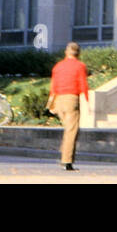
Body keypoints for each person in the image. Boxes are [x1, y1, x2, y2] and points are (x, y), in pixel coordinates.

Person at [48, 42, 89, 171]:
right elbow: (83, 83)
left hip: (59, 99)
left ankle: (65, 154)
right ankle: (67, 161)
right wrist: (87, 100)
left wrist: (51, 101)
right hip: (72, 98)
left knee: (67, 129)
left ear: (66, 52)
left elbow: (53, 85)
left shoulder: (58, 66)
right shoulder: (80, 66)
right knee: (71, 131)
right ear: (78, 53)